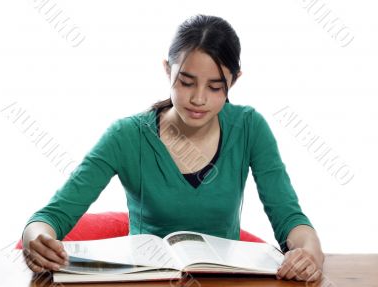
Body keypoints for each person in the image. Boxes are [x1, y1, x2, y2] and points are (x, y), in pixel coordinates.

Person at [22, 14, 324, 282]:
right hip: (146, 280)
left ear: (235, 80)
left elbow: (289, 218)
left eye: (216, 87)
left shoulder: (248, 127)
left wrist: (309, 252)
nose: (199, 98)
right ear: (168, 70)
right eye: (186, 82)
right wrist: (36, 238)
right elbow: (53, 215)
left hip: (224, 282)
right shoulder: (127, 136)